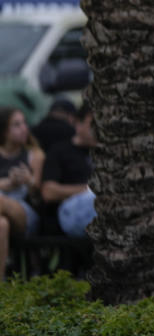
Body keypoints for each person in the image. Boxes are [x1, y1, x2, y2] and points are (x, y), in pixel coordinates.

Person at [1, 107, 45, 281]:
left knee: (1, 202)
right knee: (1, 225)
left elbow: (40, 191)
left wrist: (28, 180)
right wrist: (9, 183)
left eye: (24, 123)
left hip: (26, 215)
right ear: (4, 130)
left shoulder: (34, 155)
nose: (24, 128)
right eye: (16, 125)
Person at [40, 103, 96, 237]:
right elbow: (48, 192)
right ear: (78, 123)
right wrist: (89, 190)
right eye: (93, 124)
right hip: (70, 212)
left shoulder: (110, 152)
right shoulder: (59, 151)